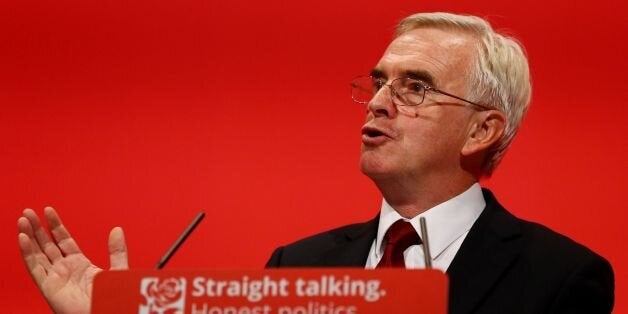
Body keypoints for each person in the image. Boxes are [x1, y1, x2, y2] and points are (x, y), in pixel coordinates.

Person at [17, 12, 614, 314]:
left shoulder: (562, 278)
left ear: (482, 130)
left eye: (415, 87)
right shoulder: (296, 265)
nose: (378, 101)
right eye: (379, 82)